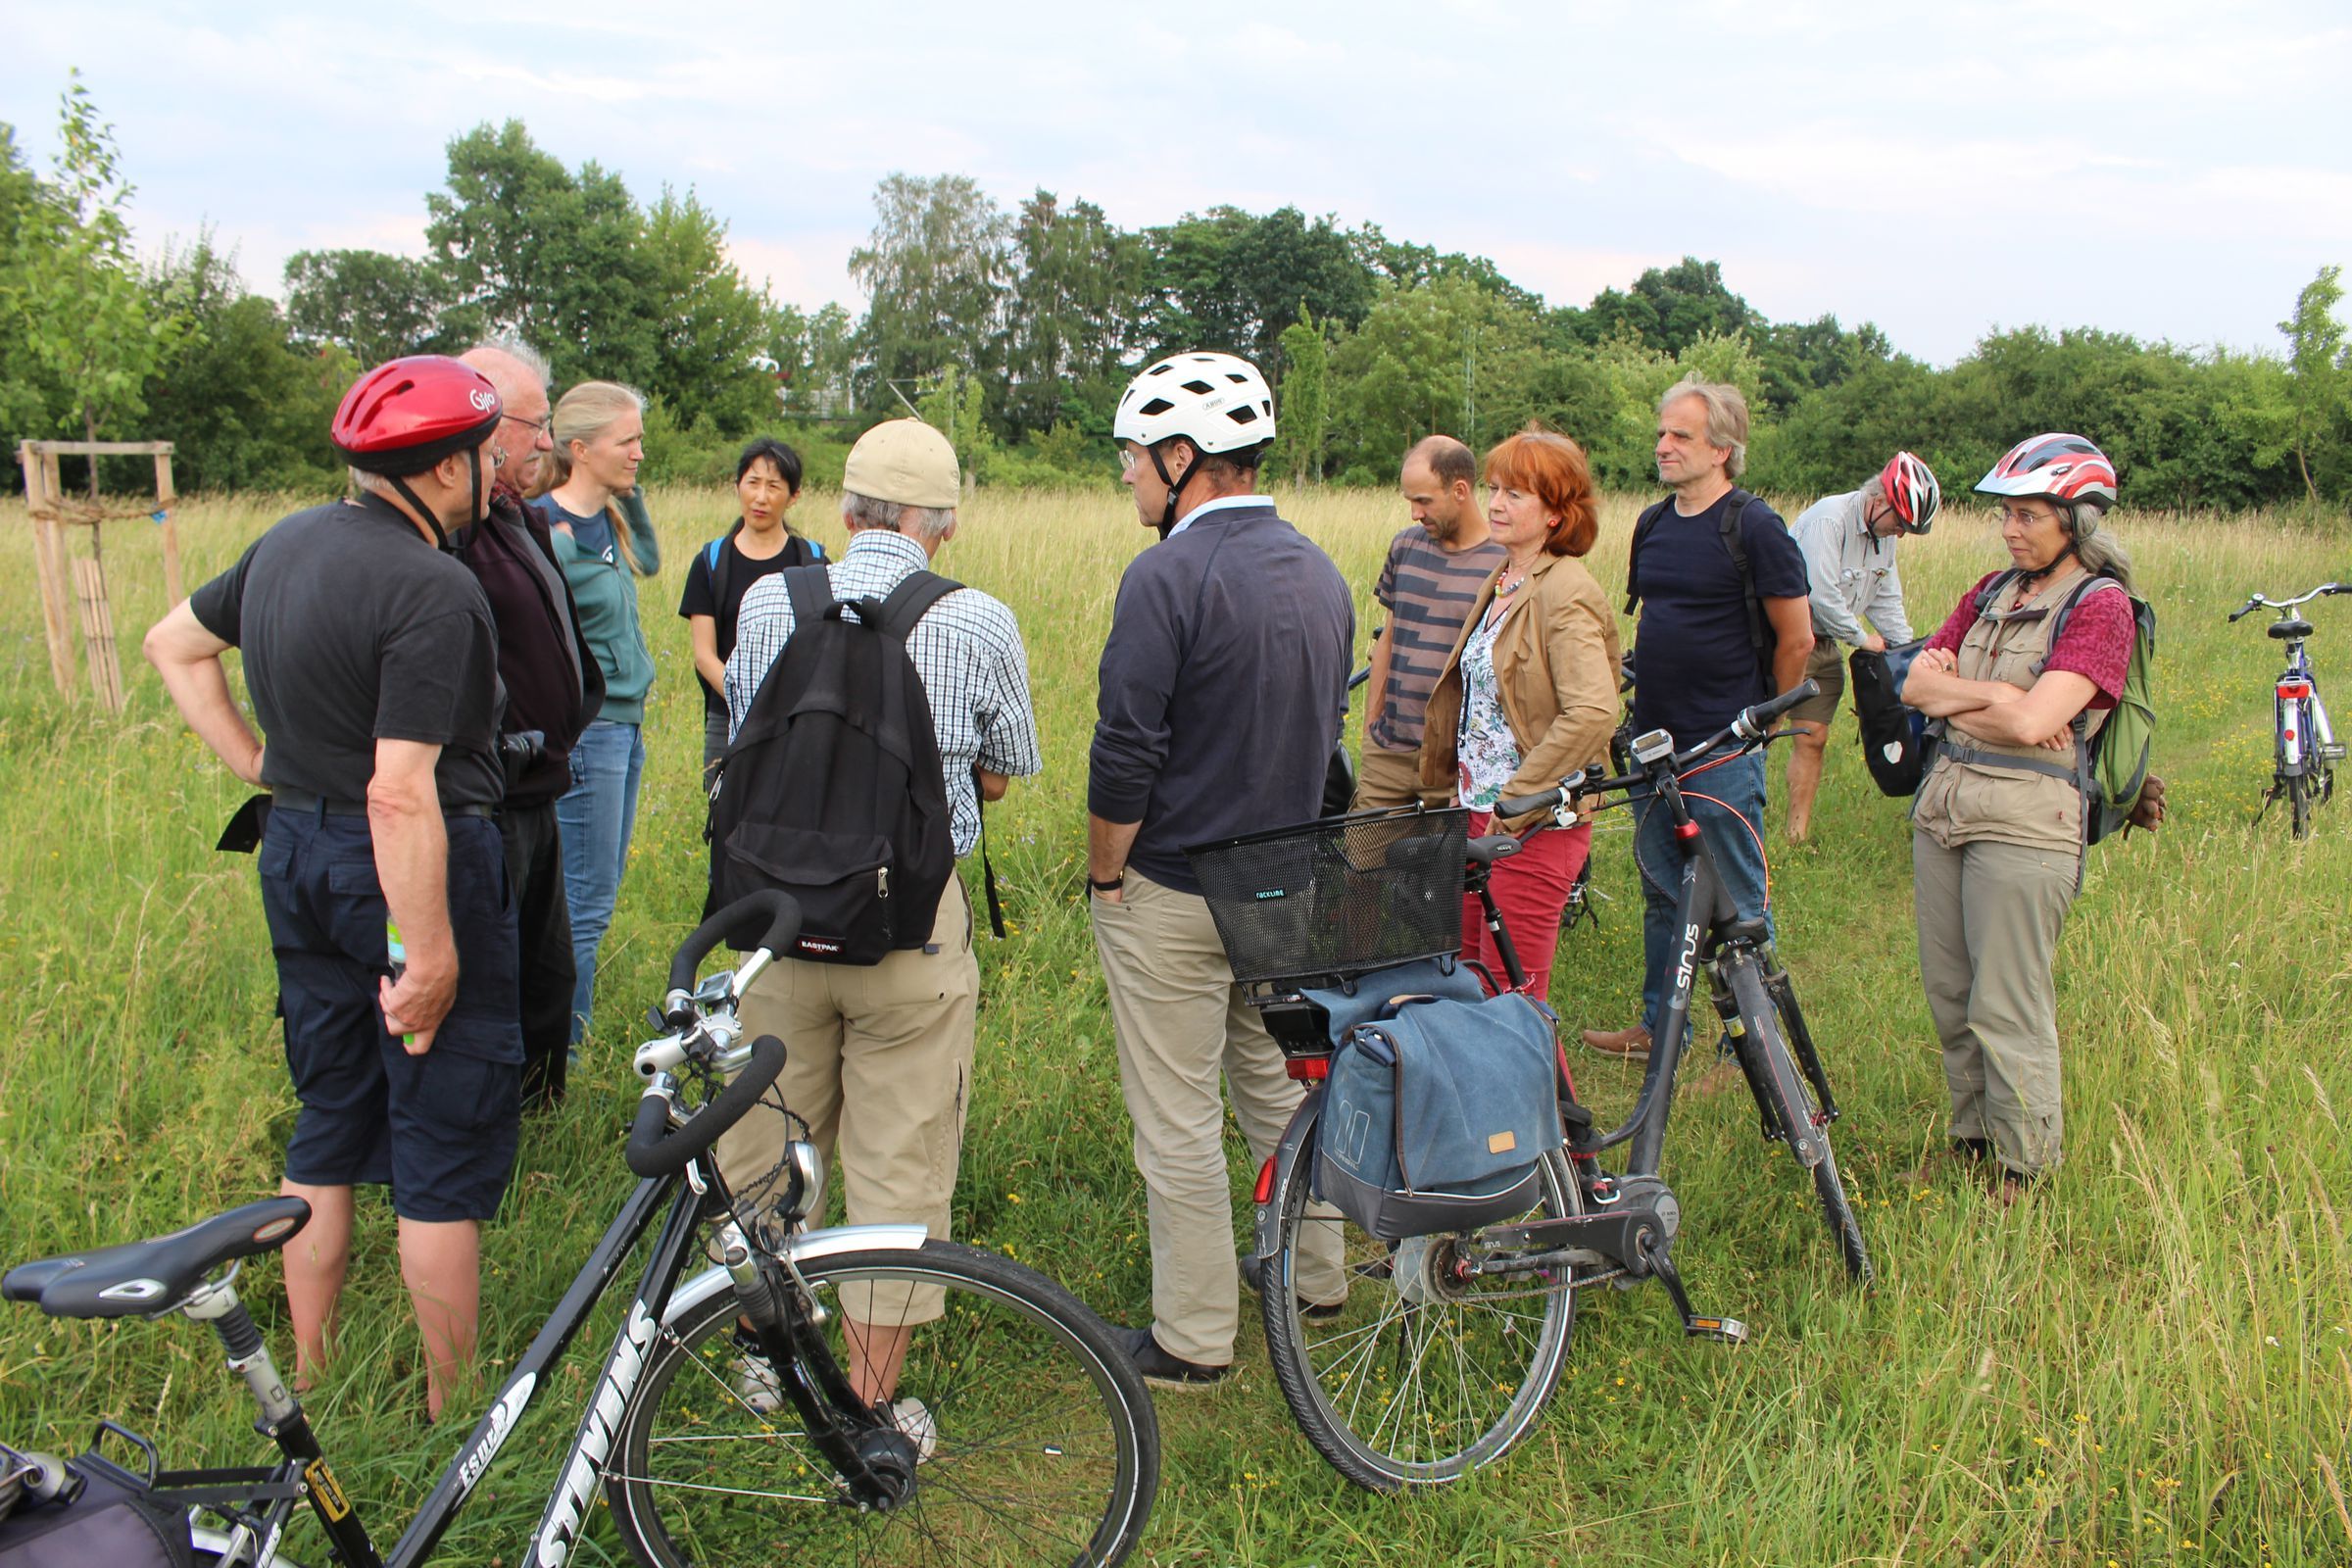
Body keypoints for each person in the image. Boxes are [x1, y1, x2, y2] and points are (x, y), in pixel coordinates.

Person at [142, 356, 518, 1421]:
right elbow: (400, 792)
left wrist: (263, 765)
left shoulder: (287, 543)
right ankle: (454, 1411)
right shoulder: (433, 587)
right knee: (438, 1132)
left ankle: (308, 1375)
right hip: (398, 867)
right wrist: (431, 954)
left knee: (330, 1114)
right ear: (445, 470)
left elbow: (174, 644)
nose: (495, 471)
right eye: (486, 455)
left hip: (296, 855)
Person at [716, 417, 1041, 1422]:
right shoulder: (977, 618)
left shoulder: (770, 598)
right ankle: (865, 1408)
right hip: (910, 925)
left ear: (846, 513)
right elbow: (1002, 769)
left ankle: (767, 1359)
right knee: (900, 1161)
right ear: (943, 525)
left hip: (774, 921)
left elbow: (739, 735)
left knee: (768, 1142)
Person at [1089, 351, 1354, 1388]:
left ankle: (1194, 1339)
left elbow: (1126, 749)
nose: (1127, 474)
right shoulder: (1321, 570)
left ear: (1181, 457)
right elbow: (1326, 742)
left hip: (1177, 886)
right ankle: (1319, 1276)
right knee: (1279, 1087)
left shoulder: (1164, 574)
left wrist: (1105, 876)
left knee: (1178, 1119)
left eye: (1133, 456)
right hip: (1287, 879)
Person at [1901, 433, 2136, 1200]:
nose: (2010, 530)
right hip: (1945, 811)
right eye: (2007, 514)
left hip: (2027, 823)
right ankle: (1972, 1143)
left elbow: (2039, 723)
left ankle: (2024, 1167)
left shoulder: (2101, 607)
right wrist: (2000, 696)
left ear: (2078, 521)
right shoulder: (1990, 592)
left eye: (2028, 516)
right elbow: (1913, 688)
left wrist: (1970, 699)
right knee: (1951, 995)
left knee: (2006, 1002)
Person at [1582, 378, 1812, 1061]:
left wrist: (1763, 724)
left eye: (1680, 435)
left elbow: (1797, 638)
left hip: (1722, 746)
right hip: (1654, 741)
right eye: (1662, 432)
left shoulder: (1755, 527)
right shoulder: (1652, 524)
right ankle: (1661, 1031)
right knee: (1663, 889)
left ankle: (1754, 1053)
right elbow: (1653, 619)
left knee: (1737, 902)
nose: (1664, 445)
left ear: (1723, 448)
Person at [1419, 427, 1621, 1001]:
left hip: (1533, 825)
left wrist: (1518, 798)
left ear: (1556, 513)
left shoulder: (1566, 590)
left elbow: (1594, 710)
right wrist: (1462, 794)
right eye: (1494, 489)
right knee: (1468, 982)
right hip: (1478, 813)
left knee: (1514, 996)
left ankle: (1543, 1071)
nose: (1496, 503)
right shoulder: (1506, 577)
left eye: (1516, 493)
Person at [452, 340, 603, 1109]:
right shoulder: (449, 531)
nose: (547, 441)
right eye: (533, 425)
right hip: (488, 798)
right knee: (490, 976)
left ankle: (538, 1120)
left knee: (547, 974)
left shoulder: (514, 516)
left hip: (538, 788)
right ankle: (480, 1126)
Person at [536, 381, 662, 1049]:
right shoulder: (540, 527)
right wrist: (559, 548)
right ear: (580, 449)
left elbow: (651, 561)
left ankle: (557, 1039)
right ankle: (563, 1054)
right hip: (590, 732)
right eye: (627, 441)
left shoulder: (606, 516)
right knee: (583, 905)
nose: (639, 452)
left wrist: (626, 495)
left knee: (595, 895)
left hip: (623, 726)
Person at [1783, 453, 1937, 842]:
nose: (1900, 533)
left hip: (1824, 645)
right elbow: (1819, 593)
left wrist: (1907, 652)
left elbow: (1885, 599)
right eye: (1900, 522)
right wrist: (1861, 638)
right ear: (1879, 498)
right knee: (1760, 734)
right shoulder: (1829, 519)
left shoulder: (1884, 540)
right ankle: (1741, 825)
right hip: (1783, 641)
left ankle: (1795, 836)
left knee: (1813, 738)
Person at [1356, 435, 1506, 808]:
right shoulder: (1404, 546)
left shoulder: (1504, 562)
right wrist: (1371, 728)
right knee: (1362, 847)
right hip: (1388, 754)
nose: (1415, 513)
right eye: (1410, 501)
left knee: (1449, 852)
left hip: (1454, 764)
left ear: (1460, 490)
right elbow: (1389, 639)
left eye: (1424, 501)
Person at [679, 437, 824, 787]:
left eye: (773, 486)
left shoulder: (814, 562)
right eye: (753, 483)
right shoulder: (711, 562)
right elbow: (704, 655)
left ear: (793, 496)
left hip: (796, 719)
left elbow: (824, 646)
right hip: (727, 717)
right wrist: (746, 698)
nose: (760, 497)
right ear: (737, 486)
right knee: (725, 810)